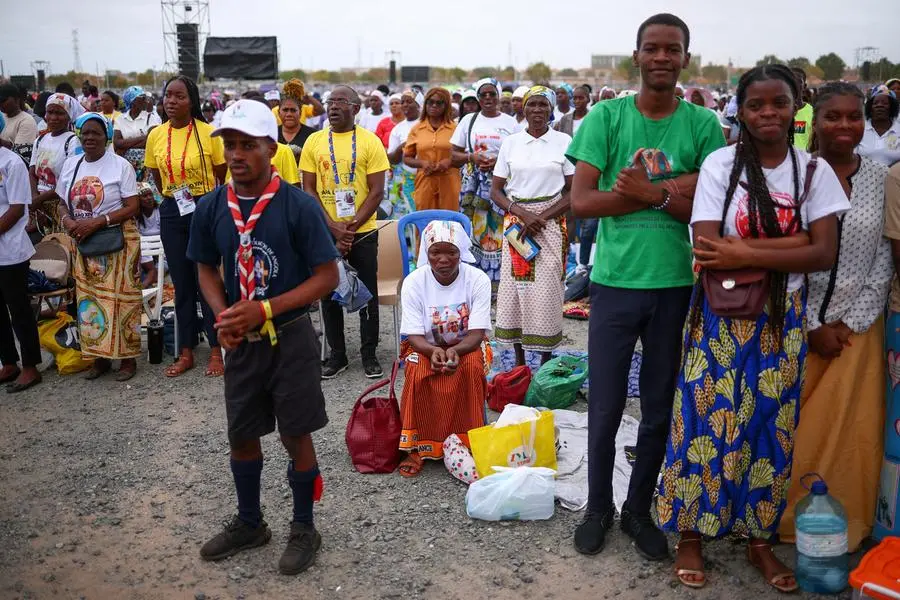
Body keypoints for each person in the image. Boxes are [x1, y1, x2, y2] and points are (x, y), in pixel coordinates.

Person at [658, 64, 849, 592]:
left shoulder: (813, 172)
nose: (768, 113)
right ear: (740, 111)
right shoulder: (723, 164)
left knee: (769, 426)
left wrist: (743, 249)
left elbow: (824, 252)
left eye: (779, 103)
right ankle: (692, 533)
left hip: (781, 321)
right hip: (720, 317)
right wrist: (789, 246)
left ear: (796, 107)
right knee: (702, 420)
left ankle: (758, 537)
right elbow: (706, 248)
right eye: (757, 105)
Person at [567, 13, 726, 561]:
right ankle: (597, 509)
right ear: (636, 56)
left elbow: (710, 201)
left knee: (658, 406)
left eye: (672, 49)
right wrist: (670, 189)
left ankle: (638, 509)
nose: (662, 57)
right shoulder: (604, 118)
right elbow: (582, 203)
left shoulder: (702, 124)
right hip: (613, 285)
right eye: (652, 48)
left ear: (686, 57)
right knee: (606, 406)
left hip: (676, 286)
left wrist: (649, 192)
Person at [187, 99, 340, 576]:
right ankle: (251, 522)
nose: (236, 154)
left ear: (270, 148)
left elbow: (327, 276)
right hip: (243, 342)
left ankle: (303, 526)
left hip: (291, 337)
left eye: (247, 145)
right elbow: (205, 267)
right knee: (242, 431)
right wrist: (224, 316)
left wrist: (266, 308)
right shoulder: (212, 206)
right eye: (229, 145)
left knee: (296, 433)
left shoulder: (297, 205)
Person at [776, 83, 892, 553]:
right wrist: (810, 327)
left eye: (853, 117)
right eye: (833, 117)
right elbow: (780, 255)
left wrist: (849, 324)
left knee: (852, 432)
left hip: (857, 331)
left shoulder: (881, 178)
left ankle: (847, 521)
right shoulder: (792, 176)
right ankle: (778, 517)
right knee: (790, 424)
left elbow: (886, 257)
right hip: (794, 323)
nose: (844, 126)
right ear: (813, 122)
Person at [299, 85, 389, 379]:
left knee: (366, 294)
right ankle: (338, 355)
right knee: (328, 293)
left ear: (355, 108)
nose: (333, 106)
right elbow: (308, 189)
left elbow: (377, 192)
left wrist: (348, 229)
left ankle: (369, 353)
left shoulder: (370, 141)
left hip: (361, 232)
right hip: (326, 232)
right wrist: (332, 226)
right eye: (330, 102)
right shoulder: (314, 141)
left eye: (341, 101)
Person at [145, 75, 227, 378]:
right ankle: (186, 351)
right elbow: (157, 176)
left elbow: (221, 173)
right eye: (168, 95)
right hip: (171, 210)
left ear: (191, 100)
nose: (171, 101)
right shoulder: (156, 135)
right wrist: (174, 196)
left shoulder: (209, 133)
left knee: (206, 280)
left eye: (179, 96)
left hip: (204, 208)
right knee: (181, 283)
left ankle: (217, 350)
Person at [397, 220, 492, 476]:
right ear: (426, 253)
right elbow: (414, 334)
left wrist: (455, 351)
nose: (443, 259)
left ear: (462, 251)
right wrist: (432, 351)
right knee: (417, 369)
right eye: (435, 252)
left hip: (467, 346)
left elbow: (477, 333)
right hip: (424, 345)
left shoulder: (478, 280)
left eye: (451, 252)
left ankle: (469, 441)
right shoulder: (414, 282)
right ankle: (419, 446)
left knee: (471, 368)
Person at [490, 86, 574, 365]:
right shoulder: (511, 143)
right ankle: (520, 362)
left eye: (543, 105)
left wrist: (543, 216)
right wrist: (523, 214)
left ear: (551, 110)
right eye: (532, 105)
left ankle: (546, 359)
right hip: (518, 225)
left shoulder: (563, 141)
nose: (537, 110)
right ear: (523, 109)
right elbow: (496, 191)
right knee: (517, 289)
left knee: (549, 288)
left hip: (550, 224)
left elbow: (574, 192)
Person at [56, 113, 142, 381]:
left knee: (122, 299)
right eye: (85, 133)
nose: (90, 138)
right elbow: (61, 201)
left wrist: (99, 221)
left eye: (96, 133)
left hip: (118, 240)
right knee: (90, 303)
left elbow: (133, 206)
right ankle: (100, 358)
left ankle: (127, 360)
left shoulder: (120, 166)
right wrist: (68, 220)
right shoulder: (72, 165)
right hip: (84, 241)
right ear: (79, 135)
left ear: (106, 136)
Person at [451, 78, 518, 289]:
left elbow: (520, 154)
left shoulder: (510, 123)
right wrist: (473, 158)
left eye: (492, 94)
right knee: (475, 233)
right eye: (483, 94)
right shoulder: (468, 121)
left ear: (498, 96)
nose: (487, 98)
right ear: (478, 97)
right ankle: (477, 283)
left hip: (502, 187)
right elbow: (453, 156)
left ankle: (501, 284)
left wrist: (498, 162)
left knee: (503, 232)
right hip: (475, 189)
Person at [0, 113, 43, 394]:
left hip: (10, 249)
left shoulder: (11, 162)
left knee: (19, 309)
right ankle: (9, 362)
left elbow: (17, 208)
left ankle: (30, 366)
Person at [28, 94, 82, 242]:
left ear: (69, 116)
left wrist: (39, 200)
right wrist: (34, 198)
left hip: (60, 205)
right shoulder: (40, 139)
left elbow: (69, 180)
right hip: (39, 205)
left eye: (59, 113)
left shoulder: (73, 141)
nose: (53, 117)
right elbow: (32, 172)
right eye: (50, 112)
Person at [403, 88, 461, 212]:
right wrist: (422, 163)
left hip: (449, 181)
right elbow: (407, 158)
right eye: (430, 102)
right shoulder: (417, 129)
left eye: (439, 103)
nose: (434, 105)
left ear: (446, 106)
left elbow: (463, 155)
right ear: (425, 104)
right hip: (425, 181)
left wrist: (449, 162)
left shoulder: (455, 129)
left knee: (449, 222)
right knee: (424, 221)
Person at [384, 91, 421, 218]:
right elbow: (391, 159)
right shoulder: (398, 129)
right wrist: (403, 146)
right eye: (403, 102)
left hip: (427, 178)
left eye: (409, 101)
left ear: (419, 104)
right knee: (406, 217)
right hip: (406, 180)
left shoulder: (427, 124)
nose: (405, 105)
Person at [113, 86, 162, 180]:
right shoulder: (120, 119)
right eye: (143, 98)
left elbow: (150, 140)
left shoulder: (151, 117)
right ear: (133, 101)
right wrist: (143, 137)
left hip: (148, 165)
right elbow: (117, 142)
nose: (146, 101)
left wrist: (125, 145)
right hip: (127, 165)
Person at [277, 80, 320, 163]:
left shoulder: (313, 136)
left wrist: (307, 96)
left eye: (293, 110)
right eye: (285, 110)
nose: (289, 114)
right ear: (278, 112)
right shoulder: (271, 135)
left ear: (300, 113)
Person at [858, 88, 900, 167]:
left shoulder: (898, 129)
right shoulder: (860, 128)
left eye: (885, 103)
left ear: (892, 107)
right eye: (875, 103)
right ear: (870, 107)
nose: (880, 105)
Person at [0, 84, 39, 163]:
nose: (0, 104)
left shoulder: (26, 121)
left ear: (17, 99)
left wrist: (1, 142)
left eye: (3, 100)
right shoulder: (2, 117)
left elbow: (21, 155)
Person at [792, 67, 814, 151]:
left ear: (804, 86)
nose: (794, 85)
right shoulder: (778, 113)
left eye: (798, 82)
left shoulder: (813, 113)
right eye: (790, 81)